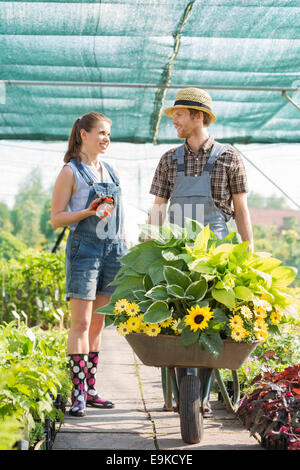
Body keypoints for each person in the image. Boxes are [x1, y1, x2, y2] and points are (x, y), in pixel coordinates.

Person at [147, 88, 253, 415]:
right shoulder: (168, 159)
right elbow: (158, 208)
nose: (174, 121)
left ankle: (198, 397)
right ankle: (187, 396)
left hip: (216, 257)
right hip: (175, 255)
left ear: (198, 116)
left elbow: (241, 209)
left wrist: (249, 252)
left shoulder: (229, 157)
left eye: (179, 115)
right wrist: (149, 249)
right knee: (178, 324)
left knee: (211, 323)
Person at [51, 111, 127, 417]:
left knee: (99, 323)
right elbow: (57, 218)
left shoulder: (111, 171)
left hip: (113, 250)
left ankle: (91, 389)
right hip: (84, 251)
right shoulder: (70, 172)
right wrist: (87, 211)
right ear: (84, 134)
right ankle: (78, 393)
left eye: (109, 133)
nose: (106, 138)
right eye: (101, 132)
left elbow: (119, 216)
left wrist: (126, 246)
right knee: (81, 323)